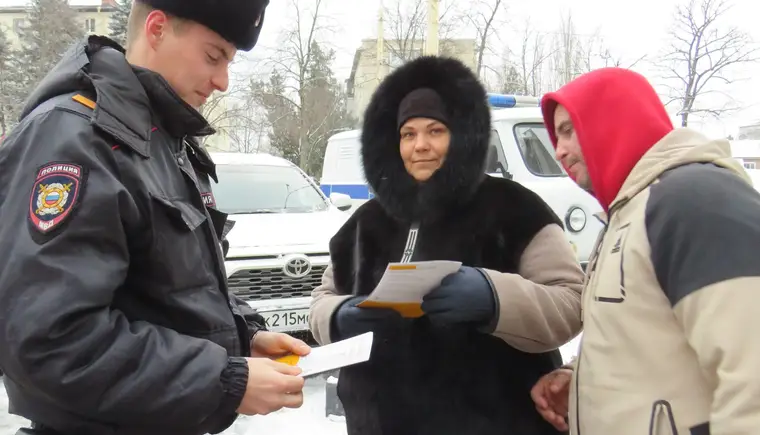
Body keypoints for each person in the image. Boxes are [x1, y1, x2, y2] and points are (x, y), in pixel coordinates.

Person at [0, 1, 313, 434]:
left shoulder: (161, 142)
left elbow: (169, 289)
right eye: (213, 56)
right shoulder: (76, 138)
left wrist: (246, 336)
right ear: (157, 28)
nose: (223, 81)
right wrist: (223, 380)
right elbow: (50, 340)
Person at [308, 55, 585, 435]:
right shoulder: (366, 220)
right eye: (408, 135)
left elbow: (571, 301)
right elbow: (321, 298)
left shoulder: (514, 208)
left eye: (435, 131)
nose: (420, 145)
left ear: (461, 136)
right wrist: (339, 316)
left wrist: (494, 298)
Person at [531, 67, 760, 434]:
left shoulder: (692, 200)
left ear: (612, 119)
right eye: (555, 137)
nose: (558, 151)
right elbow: (649, 336)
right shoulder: (630, 213)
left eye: (568, 131)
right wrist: (583, 381)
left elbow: (751, 370)